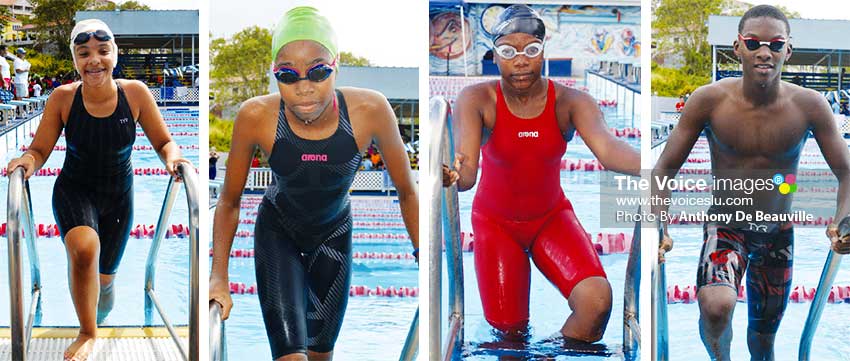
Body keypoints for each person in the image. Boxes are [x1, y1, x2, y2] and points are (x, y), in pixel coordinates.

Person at [208, 7, 419, 361]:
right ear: (274, 74)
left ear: (336, 65)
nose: (304, 88)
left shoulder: (371, 110)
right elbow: (229, 201)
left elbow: (408, 191)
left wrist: (422, 259)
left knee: (321, 357)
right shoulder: (255, 116)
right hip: (278, 234)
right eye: (287, 75)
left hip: (334, 237)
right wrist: (218, 276)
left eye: (318, 72)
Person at [653, 5, 850, 360]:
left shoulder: (810, 106)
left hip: (777, 234)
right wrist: (658, 225)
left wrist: (841, 219)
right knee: (716, 305)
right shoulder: (709, 100)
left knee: (763, 342)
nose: (764, 51)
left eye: (775, 44)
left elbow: (847, 170)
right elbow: (665, 167)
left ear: (787, 50)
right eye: (753, 42)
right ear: (737, 47)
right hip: (726, 226)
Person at [442, 4, 639, 343]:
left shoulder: (571, 102)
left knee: (596, 302)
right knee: (509, 334)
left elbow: (608, 150)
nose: (520, 61)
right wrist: (451, 174)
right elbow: (468, 172)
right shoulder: (477, 99)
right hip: (496, 226)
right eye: (508, 51)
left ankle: (549, 351)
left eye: (531, 50)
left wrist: (659, 167)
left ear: (543, 50)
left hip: (551, 219)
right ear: (495, 55)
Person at [5, 19, 189, 361]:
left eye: (103, 52)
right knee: (84, 248)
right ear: (75, 59)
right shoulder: (63, 98)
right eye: (84, 53)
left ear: (114, 55)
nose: (94, 61)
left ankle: (98, 312)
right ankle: (87, 332)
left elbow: (164, 141)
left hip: (119, 198)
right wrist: (27, 161)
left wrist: (174, 160)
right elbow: (40, 149)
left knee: (106, 283)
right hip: (75, 190)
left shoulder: (135, 94)